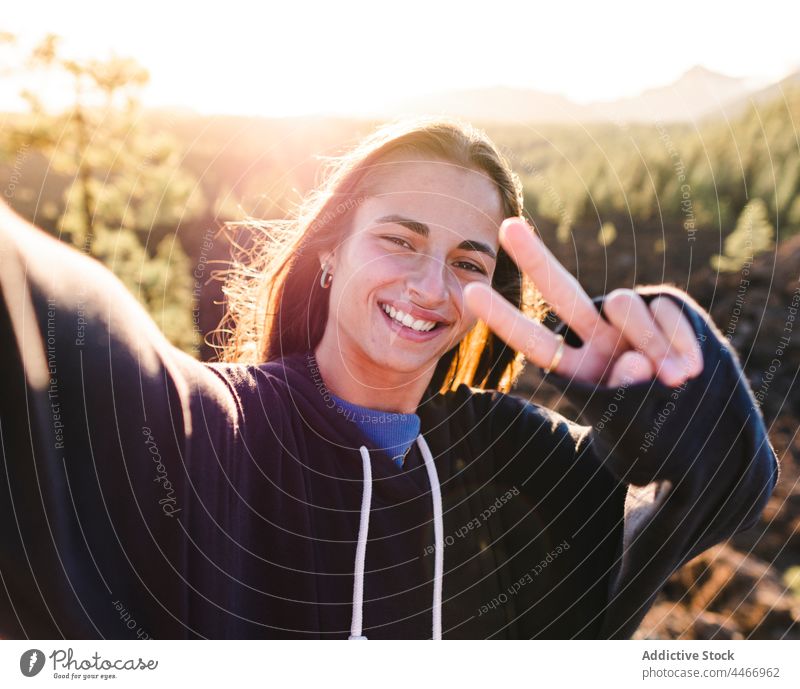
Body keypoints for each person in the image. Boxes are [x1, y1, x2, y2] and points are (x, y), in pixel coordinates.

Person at [0, 117, 778, 640]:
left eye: (468, 263)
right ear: (331, 249)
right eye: (400, 240)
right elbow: (60, 330)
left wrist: (675, 397)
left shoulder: (511, 458)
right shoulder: (221, 427)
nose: (430, 286)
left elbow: (713, 488)